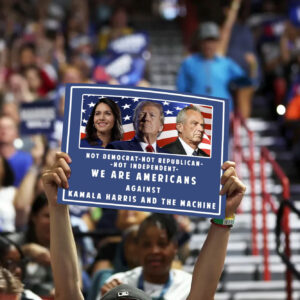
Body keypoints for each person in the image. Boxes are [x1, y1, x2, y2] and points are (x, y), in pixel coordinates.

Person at [42, 152, 246, 300]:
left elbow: (203, 292)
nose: (154, 250)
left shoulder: (182, 282)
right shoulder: (119, 279)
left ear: (174, 247)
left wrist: (224, 217)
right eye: (147, 244)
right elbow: (67, 290)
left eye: (162, 243)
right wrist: (57, 207)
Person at [176, 22, 249, 113]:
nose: (209, 45)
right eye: (206, 41)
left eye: (212, 41)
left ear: (217, 42)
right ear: (200, 42)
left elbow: (244, 81)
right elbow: (181, 90)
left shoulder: (226, 63)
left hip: (222, 111)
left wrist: (251, 67)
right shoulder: (189, 63)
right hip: (196, 113)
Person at [0, 115, 33, 187]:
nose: (4, 131)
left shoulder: (27, 160)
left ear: (16, 133)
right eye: (1, 128)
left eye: (9, 128)